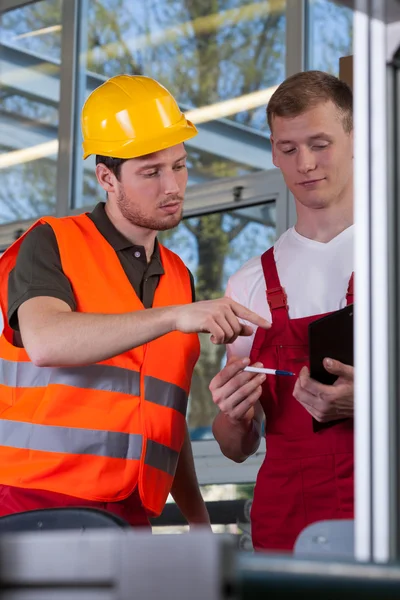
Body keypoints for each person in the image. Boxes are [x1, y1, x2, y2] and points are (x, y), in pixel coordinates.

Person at [0, 75, 269, 529]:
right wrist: (175, 315)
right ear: (106, 176)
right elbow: (46, 341)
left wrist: (199, 520)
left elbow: (162, 415)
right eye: (151, 171)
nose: (173, 186)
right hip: (34, 502)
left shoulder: (178, 276)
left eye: (179, 166)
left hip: (131, 512)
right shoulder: (51, 243)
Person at [210, 70, 354, 551]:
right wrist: (232, 417)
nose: (306, 163)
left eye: (320, 143)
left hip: (381, 512)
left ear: (355, 139)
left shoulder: (390, 255)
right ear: (273, 152)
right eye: (288, 149)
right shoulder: (249, 282)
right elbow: (237, 447)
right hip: (286, 522)